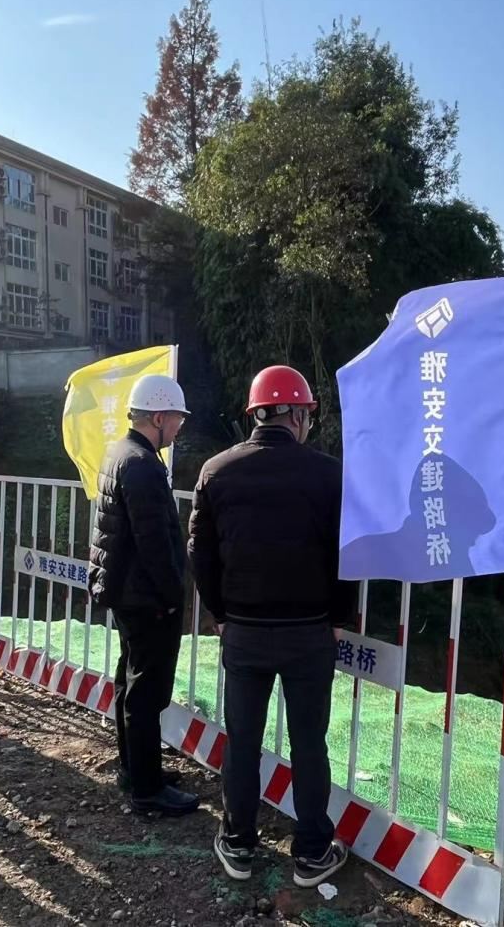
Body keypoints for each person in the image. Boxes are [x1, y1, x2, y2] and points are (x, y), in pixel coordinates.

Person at [188, 365, 356, 887]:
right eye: (307, 414)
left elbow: (201, 554)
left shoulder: (216, 471)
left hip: (243, 631)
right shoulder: (329, 474)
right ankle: (312, 853)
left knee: (242, 740)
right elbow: (347, 554)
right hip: (309, 632)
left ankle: (238, 842)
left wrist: (220, 613)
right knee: (309, 743)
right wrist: (338, 618)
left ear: (256, 415)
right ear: (298, 415)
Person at [88, 373, 199, 816]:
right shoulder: (143, 466)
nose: (179, 427)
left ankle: (134, 769)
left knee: (130, 681)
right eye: (176, 418)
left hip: (126, 590)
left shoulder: (121, 453)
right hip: (145, 596)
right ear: (158, 418)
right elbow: (153, 543)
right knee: (146, 692)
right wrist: (173, 595)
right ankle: (147, 789)